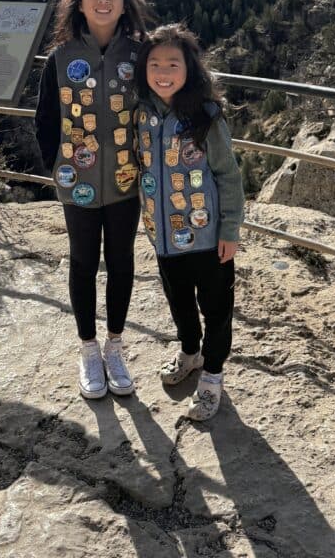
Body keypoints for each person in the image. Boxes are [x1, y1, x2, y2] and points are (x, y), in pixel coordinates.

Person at [35, 0, 150, 400]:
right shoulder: (61, 58)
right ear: (79, 3)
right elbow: (45, 118)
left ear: (125, 5)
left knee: (121, 260)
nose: (104, 0)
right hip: (76, 179)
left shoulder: (139, 57)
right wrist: (57, 166)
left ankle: (115, 345)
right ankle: (88, 349)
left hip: (126, 179)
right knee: (83, 261)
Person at [134, 23, 244, 420]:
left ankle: (212, 375)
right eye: (155, 63)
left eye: (173, 64)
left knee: (216, 308)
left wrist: (230, 229)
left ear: (189, 68)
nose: (163, 72)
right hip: (164, 236)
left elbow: (228, 175)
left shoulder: (205, 116)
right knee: (179, 301)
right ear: (144, 68)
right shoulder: (141, 113)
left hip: (208, 236)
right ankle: (190, 353)